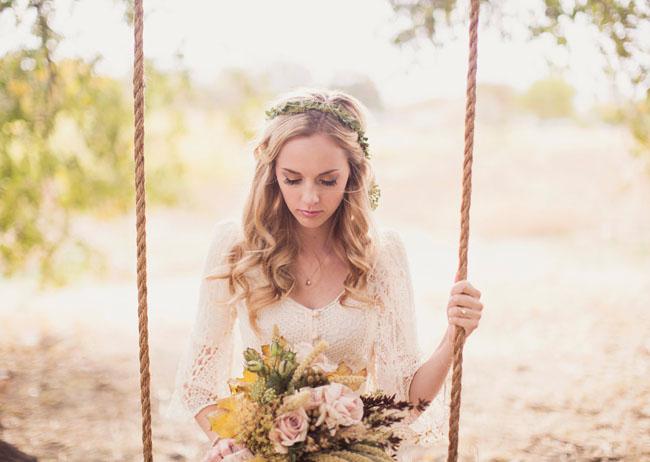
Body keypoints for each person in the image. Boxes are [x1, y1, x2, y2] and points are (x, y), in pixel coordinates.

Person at [164, 87, 484, 461]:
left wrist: (453, 336)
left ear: (352, 175)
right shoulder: (237, 248)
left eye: (327, 180)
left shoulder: (380, 257)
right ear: (272, 176)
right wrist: (238, 440)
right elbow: (199, 385)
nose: (310, 198)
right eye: (293, 179)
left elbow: (407, 402)